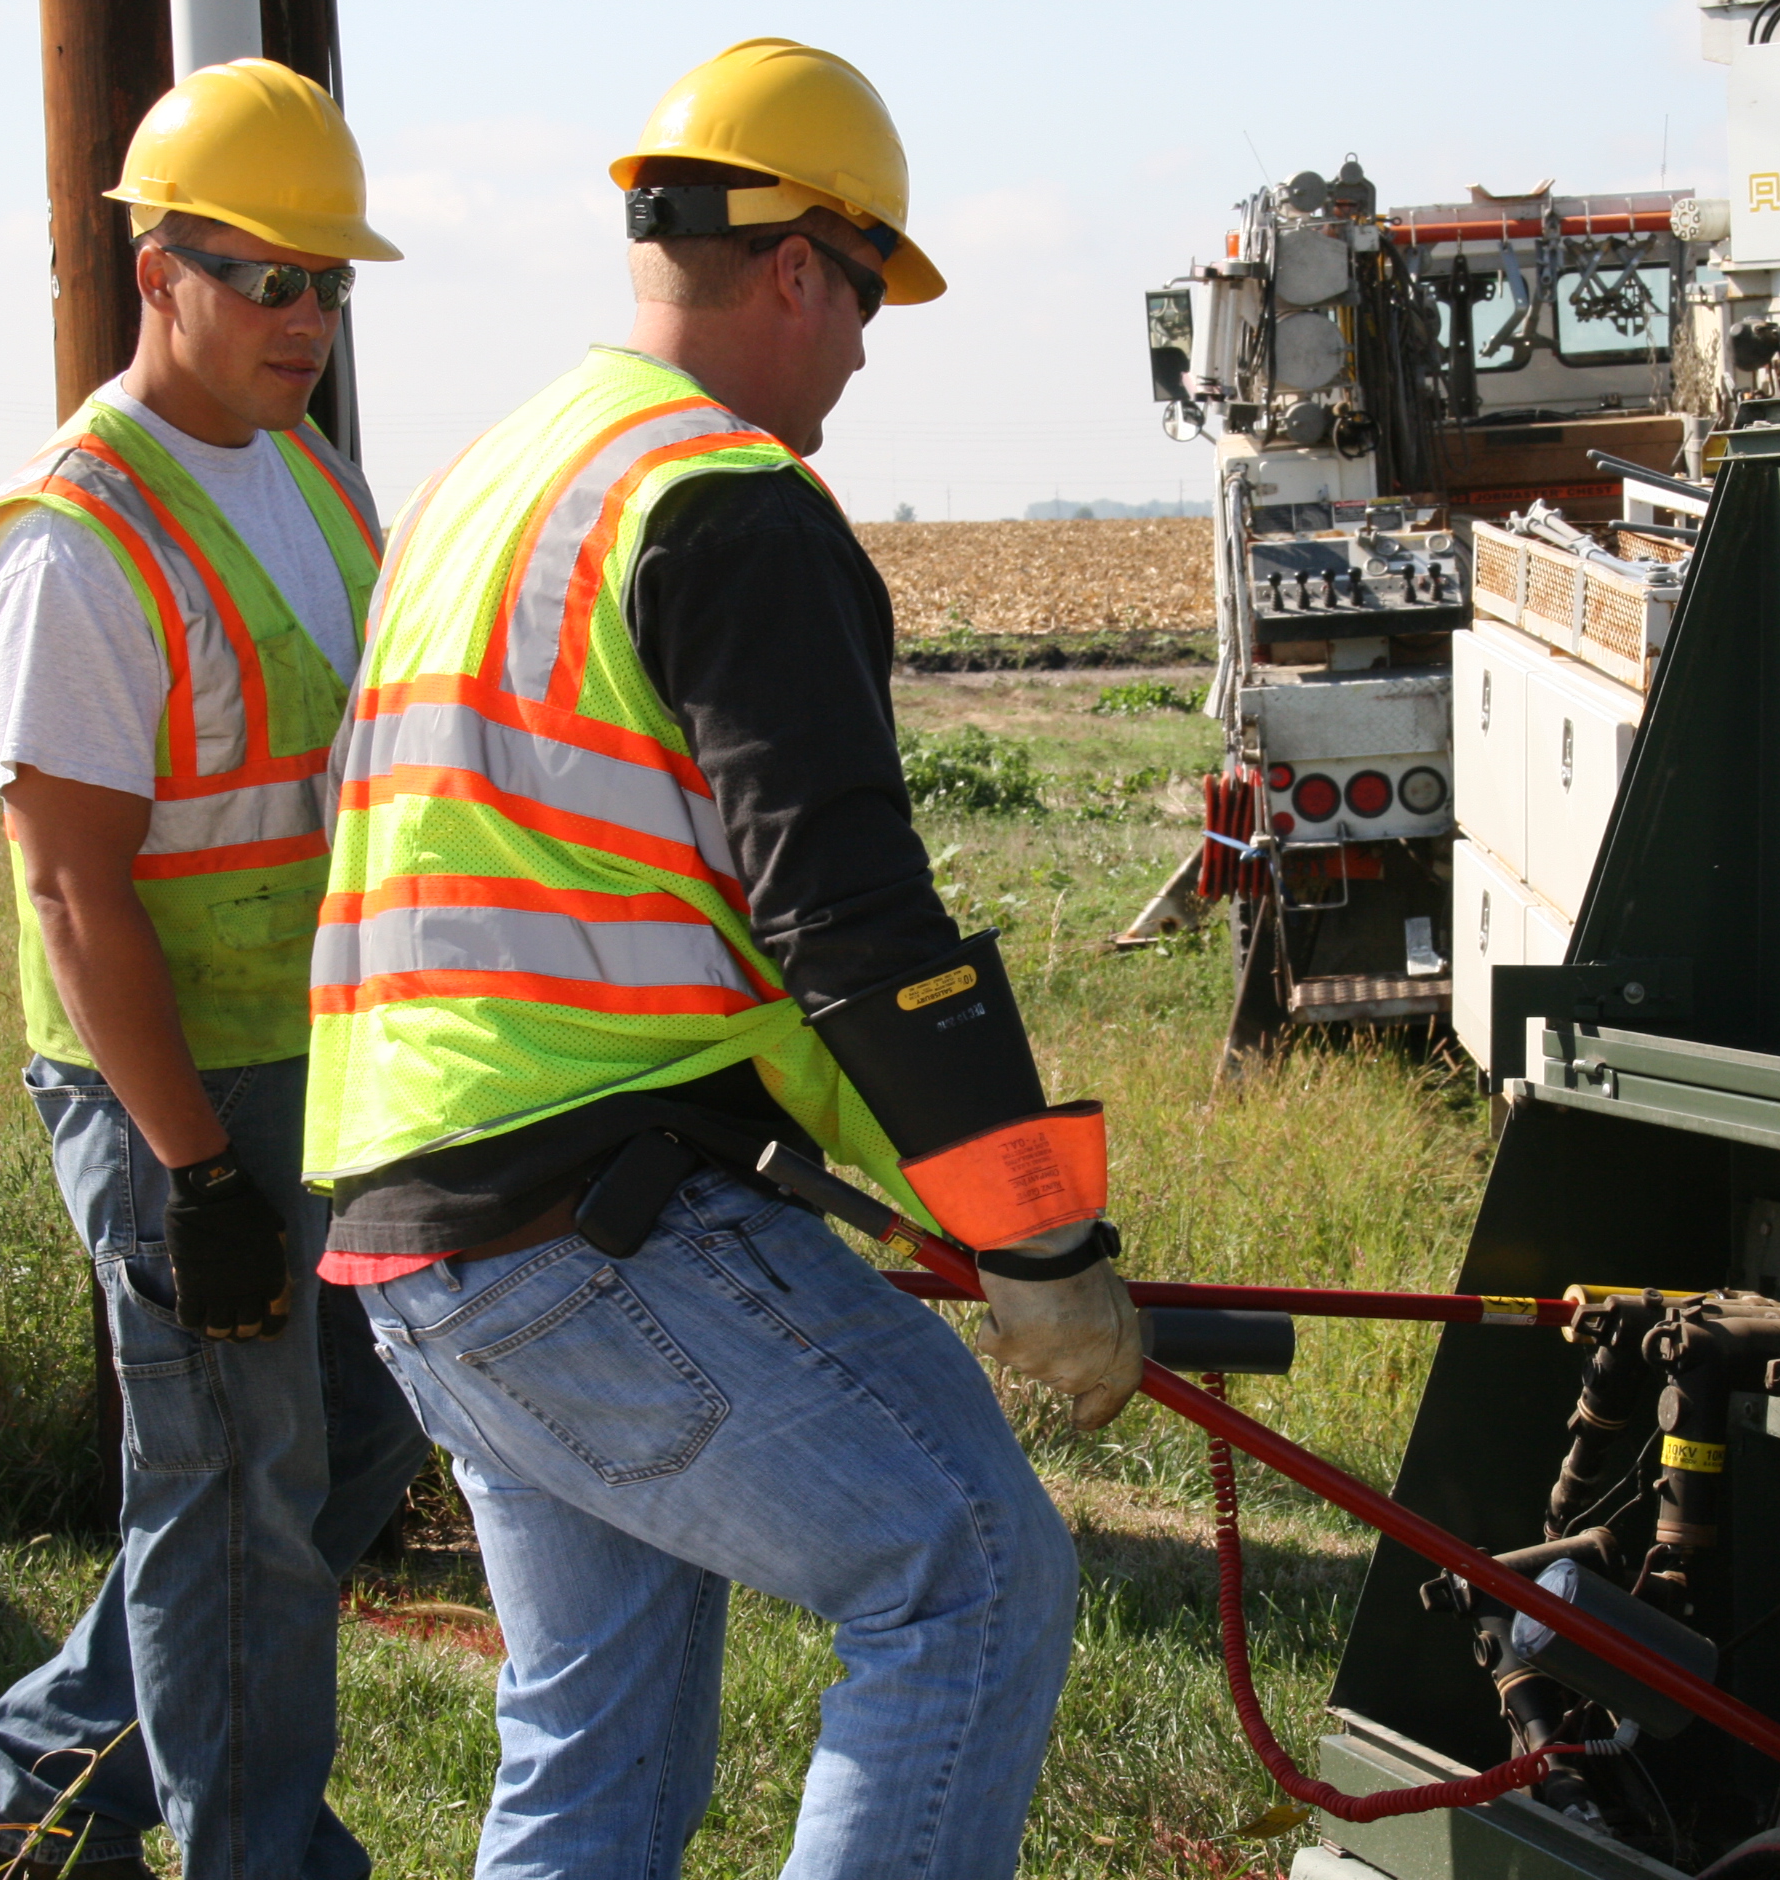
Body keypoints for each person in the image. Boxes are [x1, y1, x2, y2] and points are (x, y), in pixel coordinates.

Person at [300, 37, 1142, 1880]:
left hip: (410, 1232)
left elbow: (719, 932)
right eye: (865, 298)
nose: (861, 347)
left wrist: (968, 1218)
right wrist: (1041, 1240)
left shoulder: (492, 479)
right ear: (791, 267)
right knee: (973, 1570)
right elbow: (853, 923)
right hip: (587, 1223)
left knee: (598, 1753)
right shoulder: (730, 502)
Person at [0, 59, 430, 1880]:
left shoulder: (319, 482)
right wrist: (195, 1172)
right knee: (235, 1501)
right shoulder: (75, 539)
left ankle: (18, 1800)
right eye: (266, 276)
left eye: (331, 281)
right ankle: (267, 1858)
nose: (306, 316)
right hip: (174, 1099)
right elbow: (71, 889)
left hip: (334, 1072)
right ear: (160, 272)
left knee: (340, 1451)